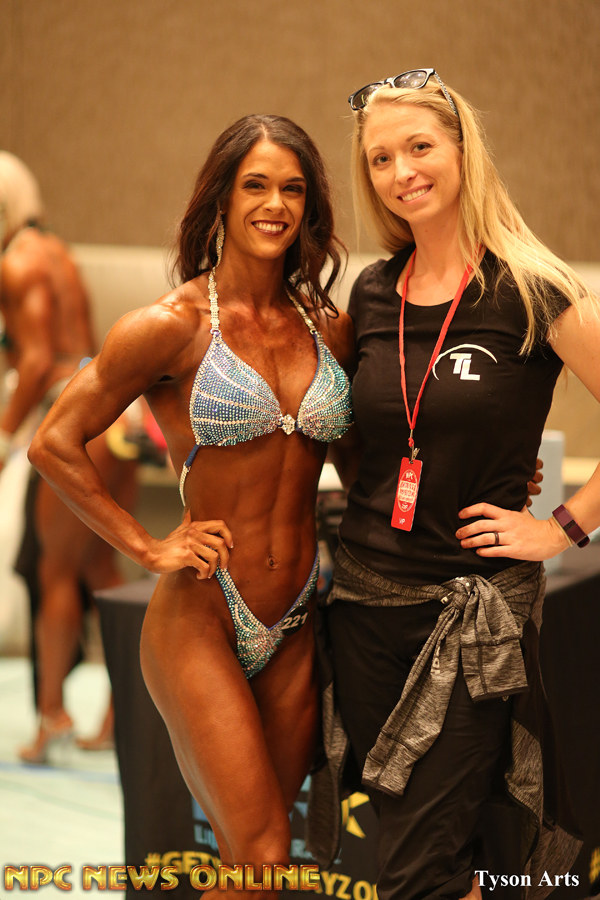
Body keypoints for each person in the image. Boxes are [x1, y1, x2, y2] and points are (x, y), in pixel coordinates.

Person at [27, 115, 354, 887]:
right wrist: (146, 546)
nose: (274, 204)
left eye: (293, 189)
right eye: (256, 185)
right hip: (201, 614)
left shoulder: (330, 331)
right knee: (263, 854)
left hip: (295, 619)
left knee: (259, 869)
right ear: (221, 199)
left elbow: (369, 466)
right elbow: (54, 442)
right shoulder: (169, 326)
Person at [307, 70, 600, 900]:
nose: (402, 172)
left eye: (420, 147)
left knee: (415, 874)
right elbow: (351, 434)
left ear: (464, 151)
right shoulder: (371, 291)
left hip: (472, 619)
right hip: (364, 609)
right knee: (437, 855)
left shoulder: (533, 289)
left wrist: (560, 528)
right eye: (381, 159)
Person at [0, 151, 138, 762]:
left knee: (56, 571)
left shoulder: (16, 262)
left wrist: (4, 437)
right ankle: (118, 711)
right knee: (99, 568)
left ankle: (52, 715)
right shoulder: (56, 253)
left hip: (71, 415)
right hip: (109, 414)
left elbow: (34, 361)